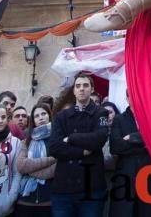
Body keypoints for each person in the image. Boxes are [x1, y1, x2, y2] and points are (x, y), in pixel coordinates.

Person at [49, 73, 109, 217]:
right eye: (78, 86)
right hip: (63, 188)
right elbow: (54, 147)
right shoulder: (61, 117)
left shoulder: (101, 113)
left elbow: (99, 139)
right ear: (74, 90)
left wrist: (70, 138)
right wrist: (81, 152)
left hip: (91, 188)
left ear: (92, 89)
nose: (81, 89)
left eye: (85, 85)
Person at [108, 90, 151, 217]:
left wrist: (131, 138)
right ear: (127, 98)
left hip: (150, 177)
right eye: (132, 95)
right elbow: (115, 147)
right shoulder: (119, 119)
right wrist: (145, 144)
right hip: (126, 177)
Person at [16, 102, 56, 217]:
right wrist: (50, 160)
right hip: (25, 200)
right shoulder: (26, 141)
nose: (41, 117)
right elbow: (21, 166)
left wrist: (31, 169)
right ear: (33, 120)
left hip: (49, 199)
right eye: (36, 116)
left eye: (43, 114)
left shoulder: (57, 140)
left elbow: (57, 168)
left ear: (49, 115)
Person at [0, 103, 21, 217]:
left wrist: (10, 200)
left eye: (3, 117)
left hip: (6, 206)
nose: (0, 121)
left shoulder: (16, 142)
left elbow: (17, 174)